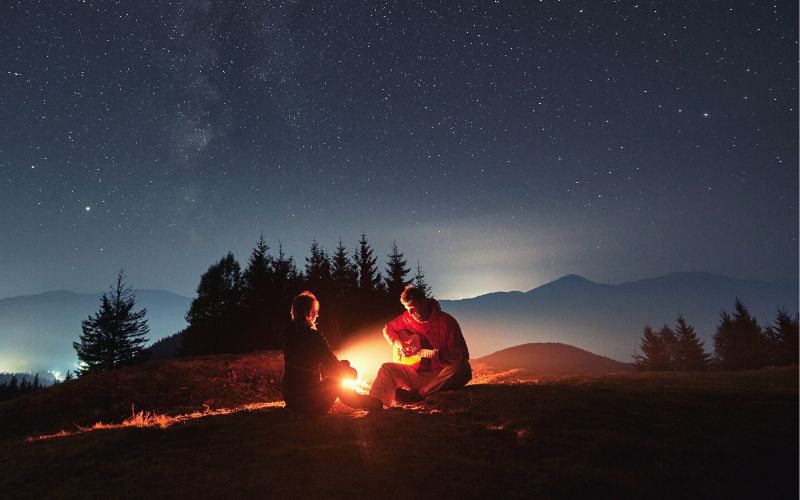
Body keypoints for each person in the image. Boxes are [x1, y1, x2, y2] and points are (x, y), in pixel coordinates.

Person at [368, 285, 472, 407]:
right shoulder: (407, 317)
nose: (410, 313)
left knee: (462, 368)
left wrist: (445, 358)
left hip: (438, 376)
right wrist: (400, 344)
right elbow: (388, 329)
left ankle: (419, 395)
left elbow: (462, 354)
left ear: (424, 302)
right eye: (407, 309)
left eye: (413, 308)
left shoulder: (447, 322)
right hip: (416, 373)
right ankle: (374, 403)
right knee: (387, 368)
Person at [282, 290, 381, 414]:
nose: (316, 316)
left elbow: (313, 364)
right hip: (308, 404)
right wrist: (349, 372)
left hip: (291, 399)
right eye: (315, 312)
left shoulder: (289, 335)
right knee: (338, 379)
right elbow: (334, 367)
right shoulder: (313, 336)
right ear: (310, 313)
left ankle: (365, 400)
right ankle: (370, 403)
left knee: (341, 368)